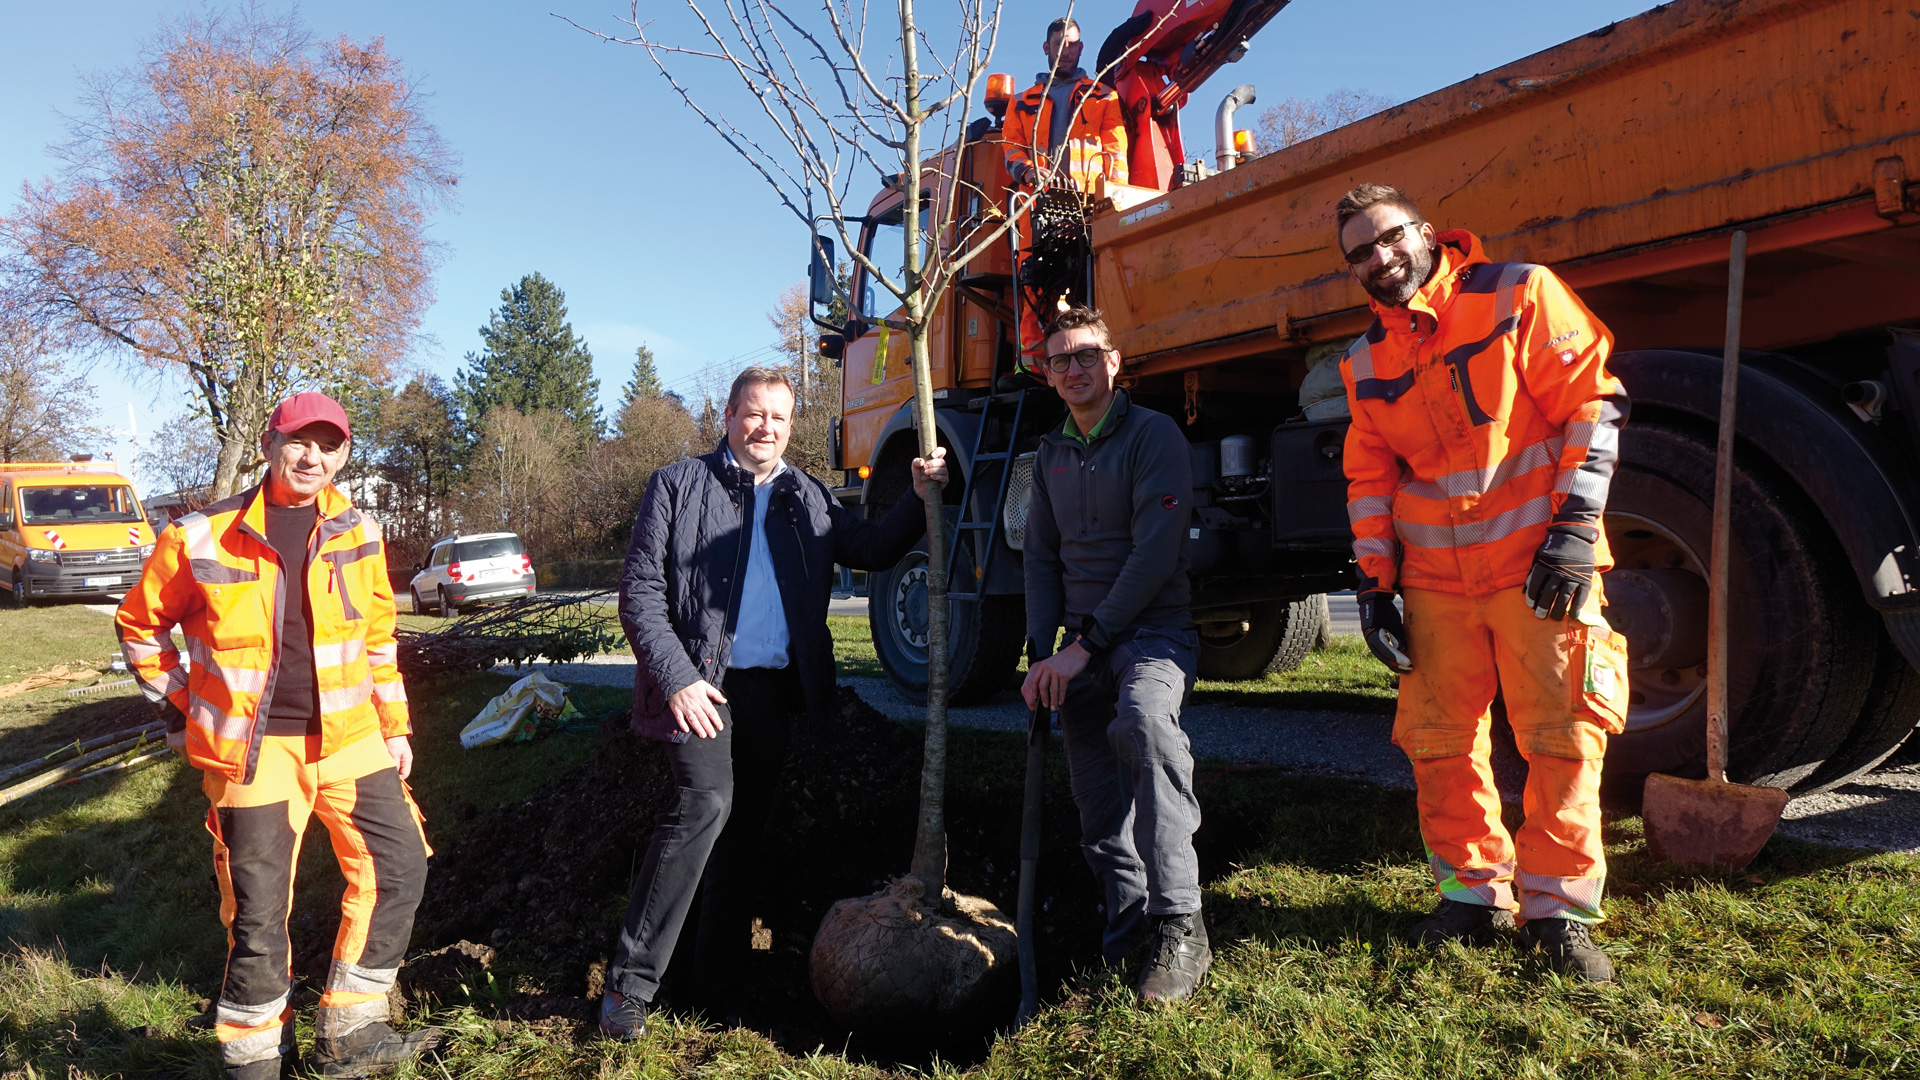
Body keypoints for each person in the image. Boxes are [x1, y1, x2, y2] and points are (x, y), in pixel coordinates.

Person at [1335, 183, 1632, 982]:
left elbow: (1592, 407)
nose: (1380, 259)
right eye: (1360, 253)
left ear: (1427, 233)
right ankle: (1471, 894)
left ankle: (1559, 911)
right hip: (1435, 582)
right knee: (1437, 743)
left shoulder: (1518, 293)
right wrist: (1373, 587)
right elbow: (1368, 478)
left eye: (1390, 238)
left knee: (1562, 737)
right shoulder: (1364, 360)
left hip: (1540, 570)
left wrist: (1573, 536)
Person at [599, 367, 947, 1038]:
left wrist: (917, 493)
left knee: (742, 837)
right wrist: (676, 678)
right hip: (699, 685)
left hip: (768, 691)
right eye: (753, 413)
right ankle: (629, 986)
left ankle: (712, 988)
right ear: (728, 416)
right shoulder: (677, 486)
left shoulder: (807, 498)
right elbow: (640, 593)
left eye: (779, 418)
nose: (766, 427)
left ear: (791, 427)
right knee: (704, 805)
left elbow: (871, 548)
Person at [117, 392, 437, 1079]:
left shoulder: (358, 531)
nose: (313, 457)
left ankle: (352, 1029)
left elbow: (379, 640)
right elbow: (140, 629)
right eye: (300, 442)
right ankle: (255, 1058)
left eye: (330, 446)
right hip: (253, 755)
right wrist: (182, 709)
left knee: (399, 867)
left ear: (344, 455)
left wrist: (396, 725)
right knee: (259, 916)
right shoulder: (199, 535)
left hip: (352, 740)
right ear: (270, 444)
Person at [1020, 305, 1208, 1003]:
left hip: (1151, 635)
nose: (1073, 368)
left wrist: (1086, 645)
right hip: (1076, 647)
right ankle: (1128, 933)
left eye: (1086, 355)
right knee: (1099, 806)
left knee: (1145, 725)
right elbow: (1039, 558)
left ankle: (1180, 924)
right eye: (1059, 359)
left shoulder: (1154, 435)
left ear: (1115, 362)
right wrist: (1045, 658)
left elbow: (1155, 552)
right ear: (1046, 374)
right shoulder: (1050, 455)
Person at [1002, 16, 1130, 360]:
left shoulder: (1102, 96)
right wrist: (1030, 173)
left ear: (1081, 47)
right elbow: (1011, 148)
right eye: (1060, 44)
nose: (1067, 50)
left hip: (1088, 205)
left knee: (1089, 278)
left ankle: (1091, 353)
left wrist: (1112, 199)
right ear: (1047, 48)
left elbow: (1115, 151)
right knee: (1033, 280)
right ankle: (1032, 362)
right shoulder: (1022, 101)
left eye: (1072, 44)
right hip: (1038, 204)